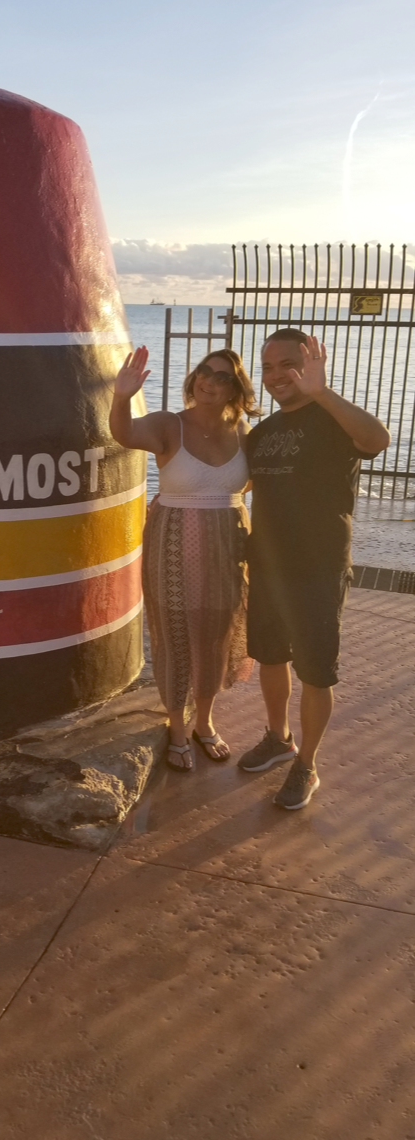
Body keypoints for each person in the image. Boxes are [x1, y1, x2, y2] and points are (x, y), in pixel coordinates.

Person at [238, 330, 391, 809]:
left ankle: (306, 763)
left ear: (309, 365)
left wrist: (322, 393)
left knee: (315, 671)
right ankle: (278, 738)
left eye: (287, 364)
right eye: (267, 367)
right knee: (270, 658)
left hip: (318, 568)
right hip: (267, 565)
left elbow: (378, 439)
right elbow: (231, 483)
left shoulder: (332, 419)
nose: (276, 376)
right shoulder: (261, 434)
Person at [110, 344, 260, 771]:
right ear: (194, 378)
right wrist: (121, 396)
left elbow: (247, 485)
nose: (209, 382)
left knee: (216, 632)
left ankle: (204, 721)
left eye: (222, 377)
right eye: (204, 372)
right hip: (173, 541)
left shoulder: (243, 431)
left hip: (228, 544)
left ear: (235, 388)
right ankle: (177, 726)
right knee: (174, 632)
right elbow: (124, 434)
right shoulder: (168, 424)